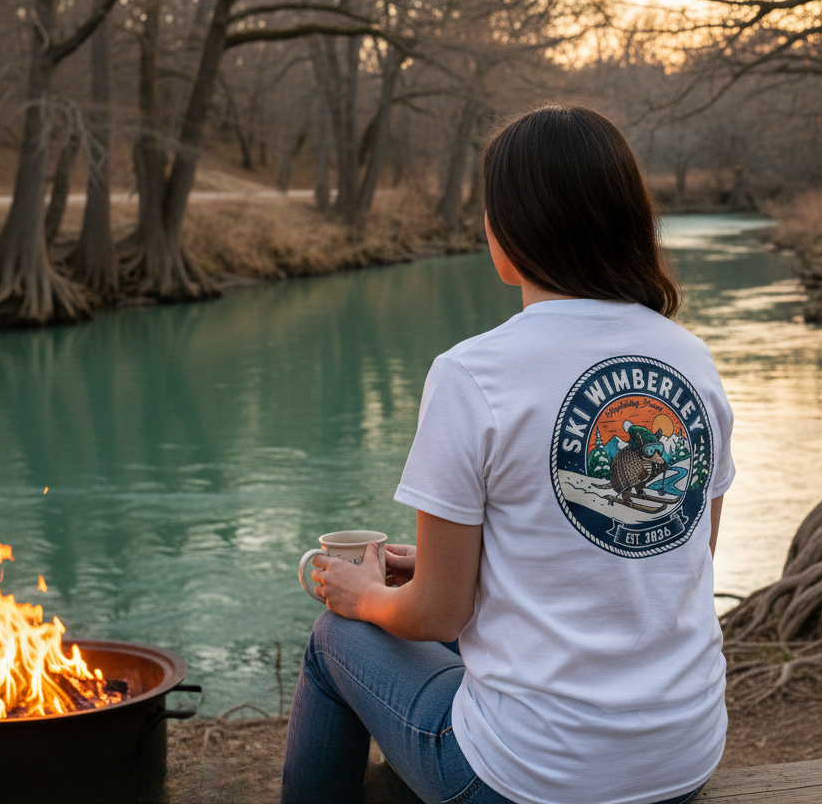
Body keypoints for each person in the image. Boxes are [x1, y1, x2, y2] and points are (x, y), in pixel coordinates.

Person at [282, 105, 734, 804]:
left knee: (334, 640)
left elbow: (436, 617)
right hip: (681, 758)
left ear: (513, 229)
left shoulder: (473, 373)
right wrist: (449, 561)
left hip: (531, 780)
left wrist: (364, 593)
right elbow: (673, 555)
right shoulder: (693, 362)